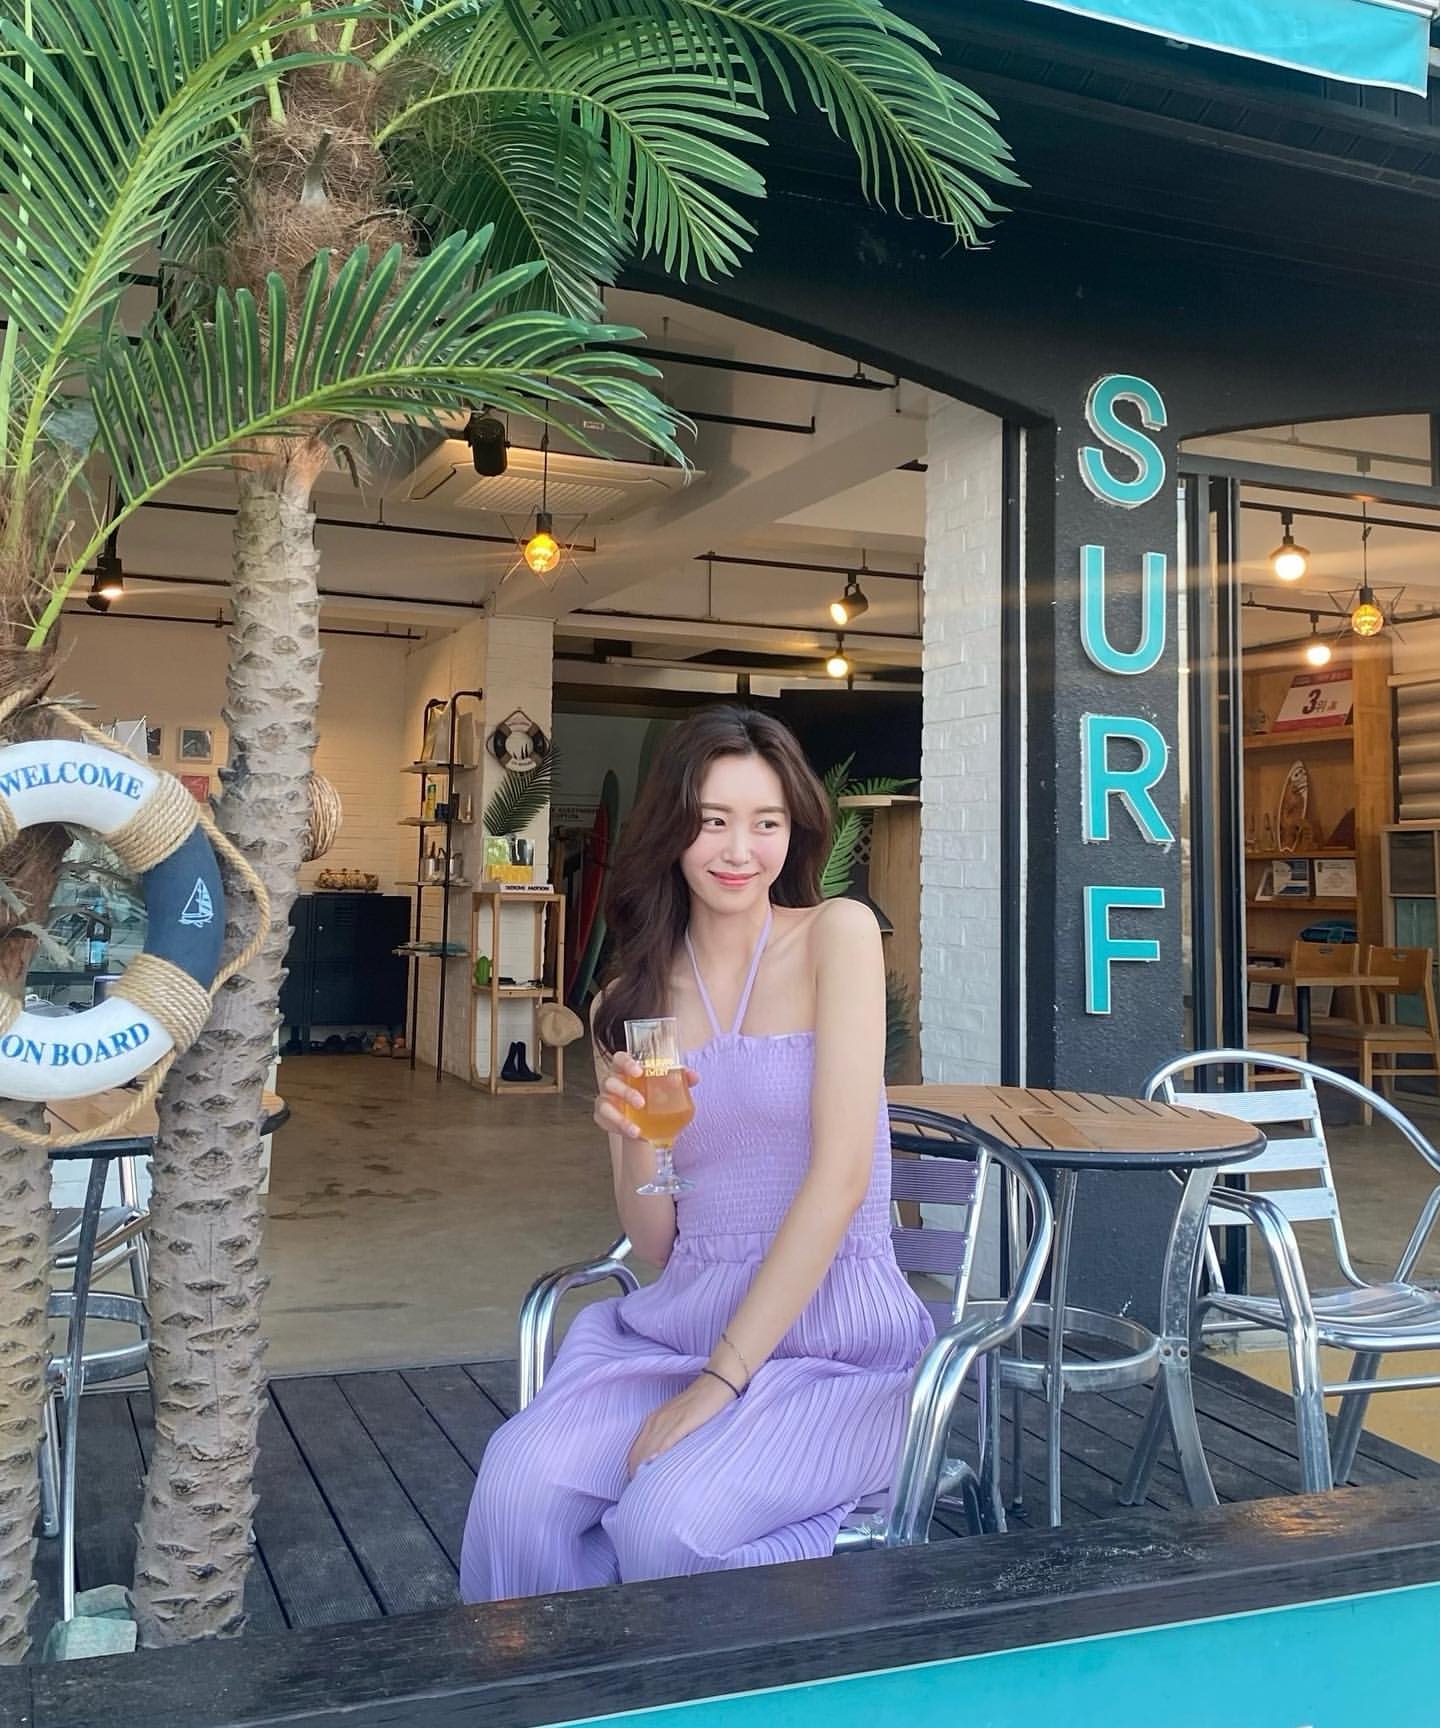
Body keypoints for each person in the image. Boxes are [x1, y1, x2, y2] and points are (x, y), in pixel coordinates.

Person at [459, 706, 932, 1601]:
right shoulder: (630, 999)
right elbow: (657, 1243)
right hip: (681, 1329)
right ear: (672, 829)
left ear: (794, 831)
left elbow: (841, 1179)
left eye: (766, 822)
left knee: (665, 1521)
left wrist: (719, 1383)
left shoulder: (836, 937)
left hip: (832, 1343)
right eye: (713, 821)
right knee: (517, 1490)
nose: (739, 850)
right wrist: (637, 1143)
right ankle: (555, 1674)